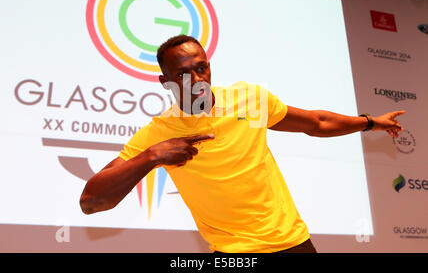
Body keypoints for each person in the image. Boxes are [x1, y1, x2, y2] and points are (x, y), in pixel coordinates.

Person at [79, 35, 405, 253]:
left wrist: (370, 122)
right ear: (165, 81)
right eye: (182, 74)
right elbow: (92, 201)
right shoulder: (159, 132)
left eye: (201, 68)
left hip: (293, 243)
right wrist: (151, 157)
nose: (197, 80)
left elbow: (316, 123)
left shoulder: (249, 99)